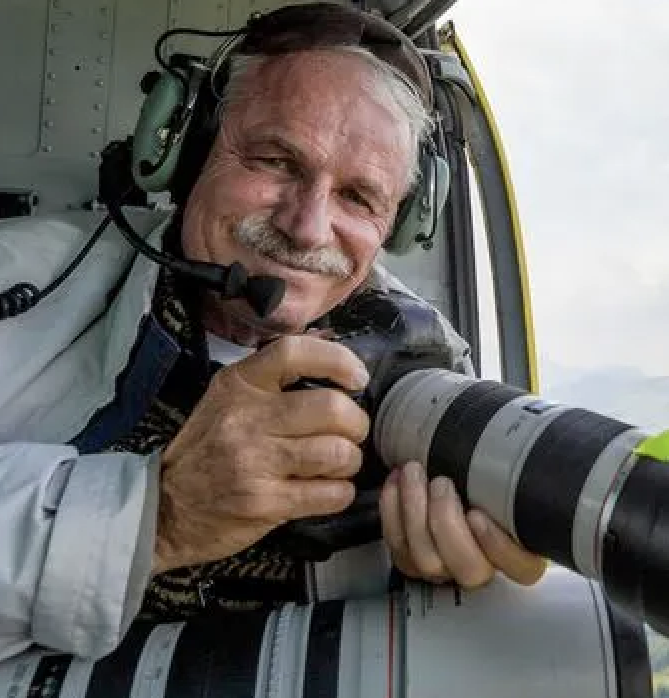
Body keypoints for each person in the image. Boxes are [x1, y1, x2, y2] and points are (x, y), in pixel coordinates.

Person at [0, 3, 545, 663]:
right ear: (185, 150)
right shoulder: (18, 274)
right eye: (276, 162)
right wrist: (160, 515)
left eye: (357, 197)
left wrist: (455, 593)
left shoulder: (431, 369)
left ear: (398, 225)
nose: (308, 228)